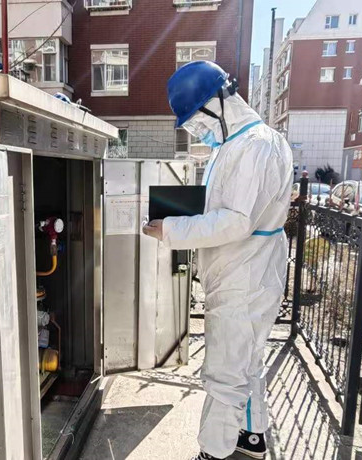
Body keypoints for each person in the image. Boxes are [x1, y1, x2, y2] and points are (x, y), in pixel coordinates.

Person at [142, 61, 293, 460]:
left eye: (197, 121)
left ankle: (214, 450)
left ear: (218, 102)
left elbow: (236, 221)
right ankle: (251, 435)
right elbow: (222, 208)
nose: (198, 131)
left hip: (245, 273)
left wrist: (171, 228)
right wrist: (179, 215)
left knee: (225, 372)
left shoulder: (254, 146)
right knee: (246, 363)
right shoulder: (237, 144)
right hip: (245, 269)